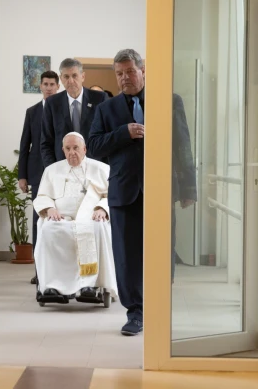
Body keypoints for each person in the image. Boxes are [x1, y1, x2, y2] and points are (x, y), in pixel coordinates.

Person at [88, 48, 196, 336]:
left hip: (160, 190)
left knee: (162, 251)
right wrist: (124, 133)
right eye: (119, 74)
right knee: (127, 257)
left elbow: (183, 145)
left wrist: (189, 187)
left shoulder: (169, 101)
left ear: (143, 70)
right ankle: (135, 312)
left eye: (130, 72)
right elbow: (94, 146)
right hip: (124, 193)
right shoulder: (106, 109)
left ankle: (159, 307)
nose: (125, 78)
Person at [33, 132, 118, 300]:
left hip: (90, 219)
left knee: (98, 228)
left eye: (76, 148)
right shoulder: (52, 170)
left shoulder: (101, 168)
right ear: (63, 150)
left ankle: (90, 284)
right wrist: (49, 209)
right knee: (48, 229)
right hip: (61, 219)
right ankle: (52, 285)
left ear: (84, 149)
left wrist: (102, 208)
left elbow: (113, 195)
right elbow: (42, 196)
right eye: (68, 148)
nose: (72, 152)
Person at [18, 70, 60, 284]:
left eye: (52, 84)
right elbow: (25, 145)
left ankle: (60, 270)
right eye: (46, 84)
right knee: (38, 222)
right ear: (41, 86)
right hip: (37, 174)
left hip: (61, 173)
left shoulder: (64, 108)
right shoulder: (32, 112)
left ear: (58, 86)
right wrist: (22, 176)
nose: (49, 88)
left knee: (60, 220)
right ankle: (39, 271)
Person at [40, 58, 108, 167]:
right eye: (66, 77)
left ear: (83, 76)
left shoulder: (100, 99)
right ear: (61, 79)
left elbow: (107, 136)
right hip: (62, 167)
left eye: (74, 76)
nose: (71, 81)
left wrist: (104, 168)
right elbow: (46, 142)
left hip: (94, 166)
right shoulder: (52, 103)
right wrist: (53, 169)